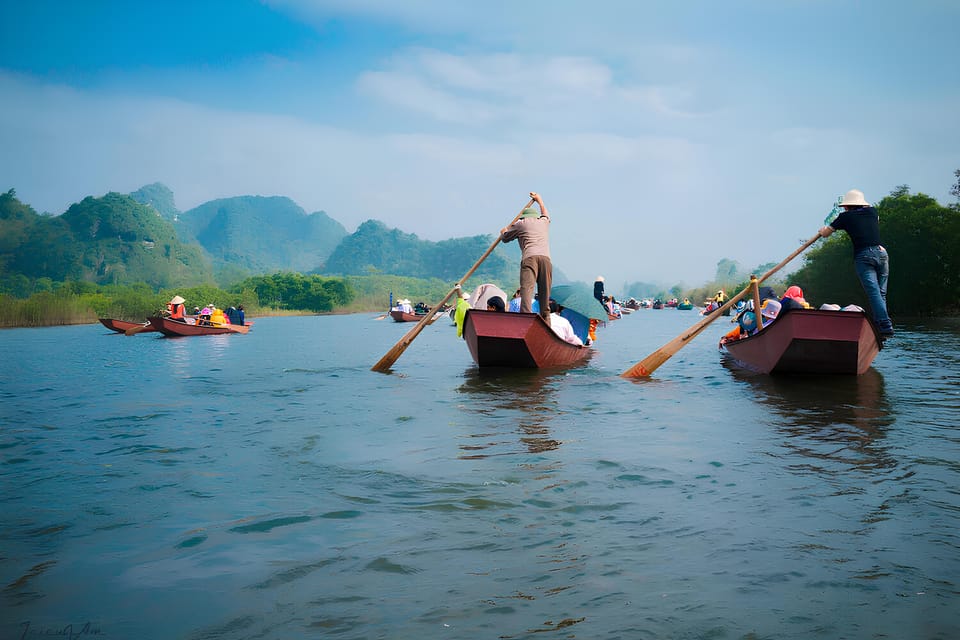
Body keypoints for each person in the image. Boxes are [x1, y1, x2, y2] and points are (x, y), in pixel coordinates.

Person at [819, 189, 894, 338]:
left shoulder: (844, 217)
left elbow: (826, 233)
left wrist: (822, 231)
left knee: (874, 293)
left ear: (847, 206)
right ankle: (882, 324)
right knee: (881, 293)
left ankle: (885, 325)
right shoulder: (873, 212)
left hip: (864, 255)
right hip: (882, 253)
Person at [500, 191, 551, 320]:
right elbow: (545, 213)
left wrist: (503, 232)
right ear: (536, 217)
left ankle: (525, 319)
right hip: (545, 259)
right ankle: (546, 321)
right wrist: (539, 200)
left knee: (527, 291)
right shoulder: (543, 222)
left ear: (523, 217)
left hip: (530, 258)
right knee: (545, 293)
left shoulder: (520, 224)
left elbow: (505, 238)